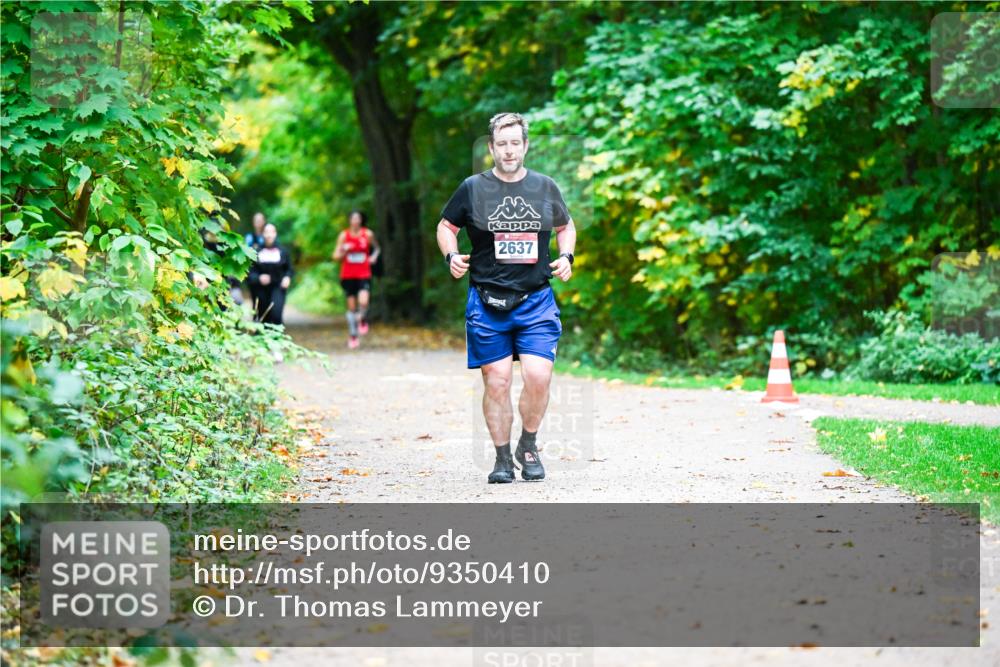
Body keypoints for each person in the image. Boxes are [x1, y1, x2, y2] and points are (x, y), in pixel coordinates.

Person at [436, 112, 577, 484]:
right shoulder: (472, 188)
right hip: (487, 301)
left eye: (515, 143)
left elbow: (565, 226)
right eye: (502, 144)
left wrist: (567, 256)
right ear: (491, 147)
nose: (509, 150)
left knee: (538, 376)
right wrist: (451, 255)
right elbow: (446, 226)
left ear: (525, 146)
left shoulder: (545, 187)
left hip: (536, 299)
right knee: (496, 380)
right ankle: (501, 458)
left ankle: (527, 445)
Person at [332, 210, 380, 349]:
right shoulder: (344, 235)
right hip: (348, 275)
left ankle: (362, 318)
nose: (355, 221)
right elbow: (335, 256)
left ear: (361, 220)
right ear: (349, 220)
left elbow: (377, 248)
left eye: (358, 218)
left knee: (364, 301)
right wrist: (344, 250)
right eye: (353, 218)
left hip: (364, 273)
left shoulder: (368, 234)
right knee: (352, 307)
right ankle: (353, 335)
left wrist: (373, 257)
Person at [248, 223, 293, 326]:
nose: (269, 235)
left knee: (276, 315)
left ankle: (277, 334)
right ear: (263, 234)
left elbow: (289, 269)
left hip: (278, 287)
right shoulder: (256, 252)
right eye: (266, 232)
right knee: (262, 318)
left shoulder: (283, 251)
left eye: (271, 232)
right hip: (260, 289)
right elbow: (250, 272)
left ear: (275, 234)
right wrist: (259, 278)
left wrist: (287, 277)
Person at [245, 212, 267, 314]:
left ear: (264, 221)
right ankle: (256, 317)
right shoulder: (249, 237)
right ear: (253, 222)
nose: (258, 222)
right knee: (255, 297)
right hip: (253, 272)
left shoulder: (268, 236)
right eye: (256, 220)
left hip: (266, 271)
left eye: (260, 220)